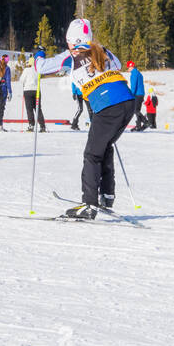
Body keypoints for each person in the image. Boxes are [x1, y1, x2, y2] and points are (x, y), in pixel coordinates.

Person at [34, 18, 135, 219]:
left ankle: (89, 204)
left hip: (108, 106)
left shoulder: (71, 56)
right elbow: (118, 64)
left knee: (92, 155)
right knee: (104, 147)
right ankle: (107, 195)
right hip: (127, 102)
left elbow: (41, 67)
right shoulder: (103, 50)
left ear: (72, 40)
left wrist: (39, 53)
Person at [21, 55, 46, 132]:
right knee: (38, 109)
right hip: (36, 91)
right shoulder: (38, 70)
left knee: (29, 109)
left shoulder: (26, 70)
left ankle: (31, 125)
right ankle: (42, 126)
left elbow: (21, 80)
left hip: (28, 90)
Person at [125, 60, 147, 131]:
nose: (127, 69)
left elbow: (133, 86)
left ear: (131, 67)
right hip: (141, 93)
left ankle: (146, 122)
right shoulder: (138, 73)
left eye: (128, 67)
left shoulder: (134, 74)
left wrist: (131, 95)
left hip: (137, 94)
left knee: (135, 110)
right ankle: (138, 126)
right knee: (137, 110)